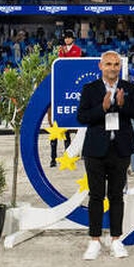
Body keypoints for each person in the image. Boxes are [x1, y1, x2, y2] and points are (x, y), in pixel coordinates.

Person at [77, 51, 134, 260]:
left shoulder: (129, 88)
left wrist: (123, 105)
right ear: (100, 66)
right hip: (96, 150)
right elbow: (82, 117)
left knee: (116, 196)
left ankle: (116, 239)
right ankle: (94, 240)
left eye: (115, 64)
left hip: (120, 150)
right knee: (96, 196)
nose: (112, 68)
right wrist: (102, 108)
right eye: (108, 64)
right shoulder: (90, 89)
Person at [51, 29, 82, 167]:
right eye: (65, 38)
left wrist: (64, 53)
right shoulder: (60, 50)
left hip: (74, 77)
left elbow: (72, 62)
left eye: (68, 38)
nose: (66, 40)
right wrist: (61, 53)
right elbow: (60, 63)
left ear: (72, 39)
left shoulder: (77, 49)